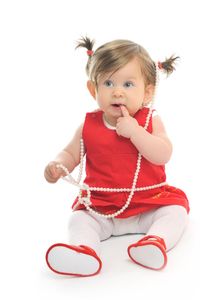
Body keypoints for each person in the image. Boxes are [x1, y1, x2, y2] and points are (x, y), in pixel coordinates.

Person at [44, 36, 189, 277]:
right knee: (79, 219)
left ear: (147, 92)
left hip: (147, 204)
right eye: (108, 83)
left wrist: (135, 133)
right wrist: (58, 165)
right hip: (102, 209)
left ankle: (155, 242)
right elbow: (71, 153)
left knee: (176, 212)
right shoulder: (88, 125)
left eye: (128, 85)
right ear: (93, 89)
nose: (118, 92)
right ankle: (84, 250)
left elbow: (163, 154)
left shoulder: (149, 121)